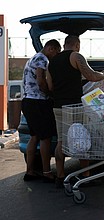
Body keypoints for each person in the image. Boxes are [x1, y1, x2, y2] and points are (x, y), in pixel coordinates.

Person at [47, 35, 104, 188]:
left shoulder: (52, 62)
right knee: (81, 137)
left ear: (64, 45)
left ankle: (60, 176)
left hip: (58, 106)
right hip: (74, 106)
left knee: (61, 141)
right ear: (76, 45)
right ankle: (85, 176)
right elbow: (91, 76)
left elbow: (50, 86)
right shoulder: (75, 56)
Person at [22, 39, 61, 182]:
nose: (55, 56)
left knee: (34, 137)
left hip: (27, 102)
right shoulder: (42, 59)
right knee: (46, 137)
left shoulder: (32, 58)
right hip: (38, 102)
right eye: (56, 52)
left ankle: (30, 171)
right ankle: (47, 173)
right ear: (51, 48)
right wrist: (50, 94)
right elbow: (40, 80)